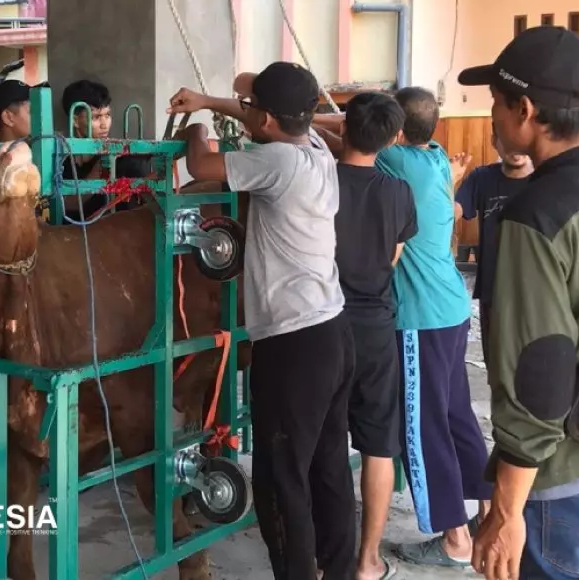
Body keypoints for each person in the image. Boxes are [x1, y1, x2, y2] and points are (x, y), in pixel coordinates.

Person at [168, 61, 356, 580]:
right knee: (329, 467)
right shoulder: (315, 148)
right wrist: (210, 99)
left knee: (280, 480)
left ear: (268, 120)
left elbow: (202, 164)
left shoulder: (271, 161)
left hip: (293, 344)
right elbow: (264, 118)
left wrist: (197, 125)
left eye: (251, 107)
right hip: (335, 330)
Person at [457, 26, 579, 580]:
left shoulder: (534, 214)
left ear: (526, 109)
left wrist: (507, 510)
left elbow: (540, 371)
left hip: (563, 480)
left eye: (495, 102)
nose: (492, 117)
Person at [374, 86, 491, 568]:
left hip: (421, 315)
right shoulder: (439, 157)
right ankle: (487, 512)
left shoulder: (395, 163)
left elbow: (349, 137)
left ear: (397, 132)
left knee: (423, 428)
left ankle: (454, 539)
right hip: (453, 306)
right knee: (457, 413)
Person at [333, 92, 418, 580]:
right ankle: (367, 560)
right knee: (378, 448)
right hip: (376, 329)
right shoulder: (398, 192)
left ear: (343, 127)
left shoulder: (319, 180)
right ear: (394, 140)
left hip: (321, 325)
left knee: (320, 445)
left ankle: (328, 556)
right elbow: (391, 258)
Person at [454, 127, 532, 365]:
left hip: (537, 294)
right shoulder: (482, 177)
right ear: (494, 141)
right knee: (497, 370)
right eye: (506, 140)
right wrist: (450, 180)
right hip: (493, 290)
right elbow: (448, 215)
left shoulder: (548, 178)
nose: (514, 148)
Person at [60, 79, 152, 221]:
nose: (104, 125)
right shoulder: (60, 159)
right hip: (74, 235)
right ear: (75, 120)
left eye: (107, 115)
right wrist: (99, 170)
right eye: (96, 117)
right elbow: (66, 205)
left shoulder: (120, 158)